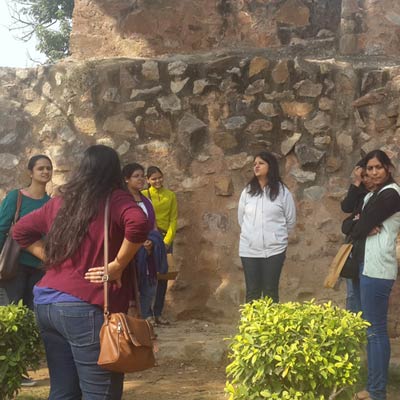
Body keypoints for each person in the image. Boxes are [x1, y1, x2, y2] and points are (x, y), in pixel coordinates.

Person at [13, 145, 150, 400]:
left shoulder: (61, 201)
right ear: (114, 170)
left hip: (47, 304)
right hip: (86, 305)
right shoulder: (115, 198)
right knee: (100, 392)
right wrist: (117, 265)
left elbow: (20, 230)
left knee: (63, 392)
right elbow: (139, 223)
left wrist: (51, 259)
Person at [348, 150, 400, 400]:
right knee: (368, 329)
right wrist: (360, 226)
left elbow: (361, 224)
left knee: (376, 330)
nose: (373, 172)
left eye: (378, 167)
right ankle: (372, 387)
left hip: (378, 268)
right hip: (362, 266)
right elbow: (350, 225)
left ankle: (377, 391)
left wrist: (360, 226)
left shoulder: (391, 194)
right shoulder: (370, 195)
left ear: (387, 168)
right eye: (369, 168)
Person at [0, 154, 52, 387]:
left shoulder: (51, 203)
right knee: (10, 316)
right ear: (30, 172)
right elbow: (1, 227)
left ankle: (20, 369)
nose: (45, 172)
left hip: (39, 268)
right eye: (41, 168)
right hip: (14, 266)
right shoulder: (16, 197)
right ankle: (7, 372)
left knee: (31, 317)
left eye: (48, 168)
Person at [238, 151, 296, 303]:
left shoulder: (283, 192)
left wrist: (276, 238)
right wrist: (251, 236)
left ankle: (270, 320)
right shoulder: (247, 192)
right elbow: (241, 219)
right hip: (249, 250)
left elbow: (290, 220)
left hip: (274, 250)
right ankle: (252, 320)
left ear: (271, 166)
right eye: (255, 164)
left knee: (270, 291)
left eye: (261, 163)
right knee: (252, 293)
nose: (256, 166)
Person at [122, 163, 167, 322]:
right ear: (126, 179)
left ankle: (143, 322)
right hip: (129, 254)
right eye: (136, 176)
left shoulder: (146, 201)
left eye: (142, 176)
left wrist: (152, 242)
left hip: (148, 253)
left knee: (149, 287)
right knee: (131, 293)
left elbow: (153, 226)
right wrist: (138, 244)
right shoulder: (122, 201)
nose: (140, 179)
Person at [142, 166, 177, 325]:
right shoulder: (144, 195)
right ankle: (147, 313)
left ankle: (158, 313)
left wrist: (167, 241)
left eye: (159, 177)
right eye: (154, 178)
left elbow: (173, 220)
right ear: (148, 180)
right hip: (149, 238)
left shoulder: (170, 195)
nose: (157, 181)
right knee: (148, 275)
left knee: (163, 276)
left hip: (165, 240)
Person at [340, 159, 375, 313]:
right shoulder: (360, 195)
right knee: (352, 294)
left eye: (369, 175)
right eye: (364, 176)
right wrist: (356, 182)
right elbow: (346, 215)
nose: (367, 179)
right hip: (354, 249)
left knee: (367, 294)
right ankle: (353, 325)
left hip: (372, 251)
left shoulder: (384, 196)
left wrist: (356, 223)